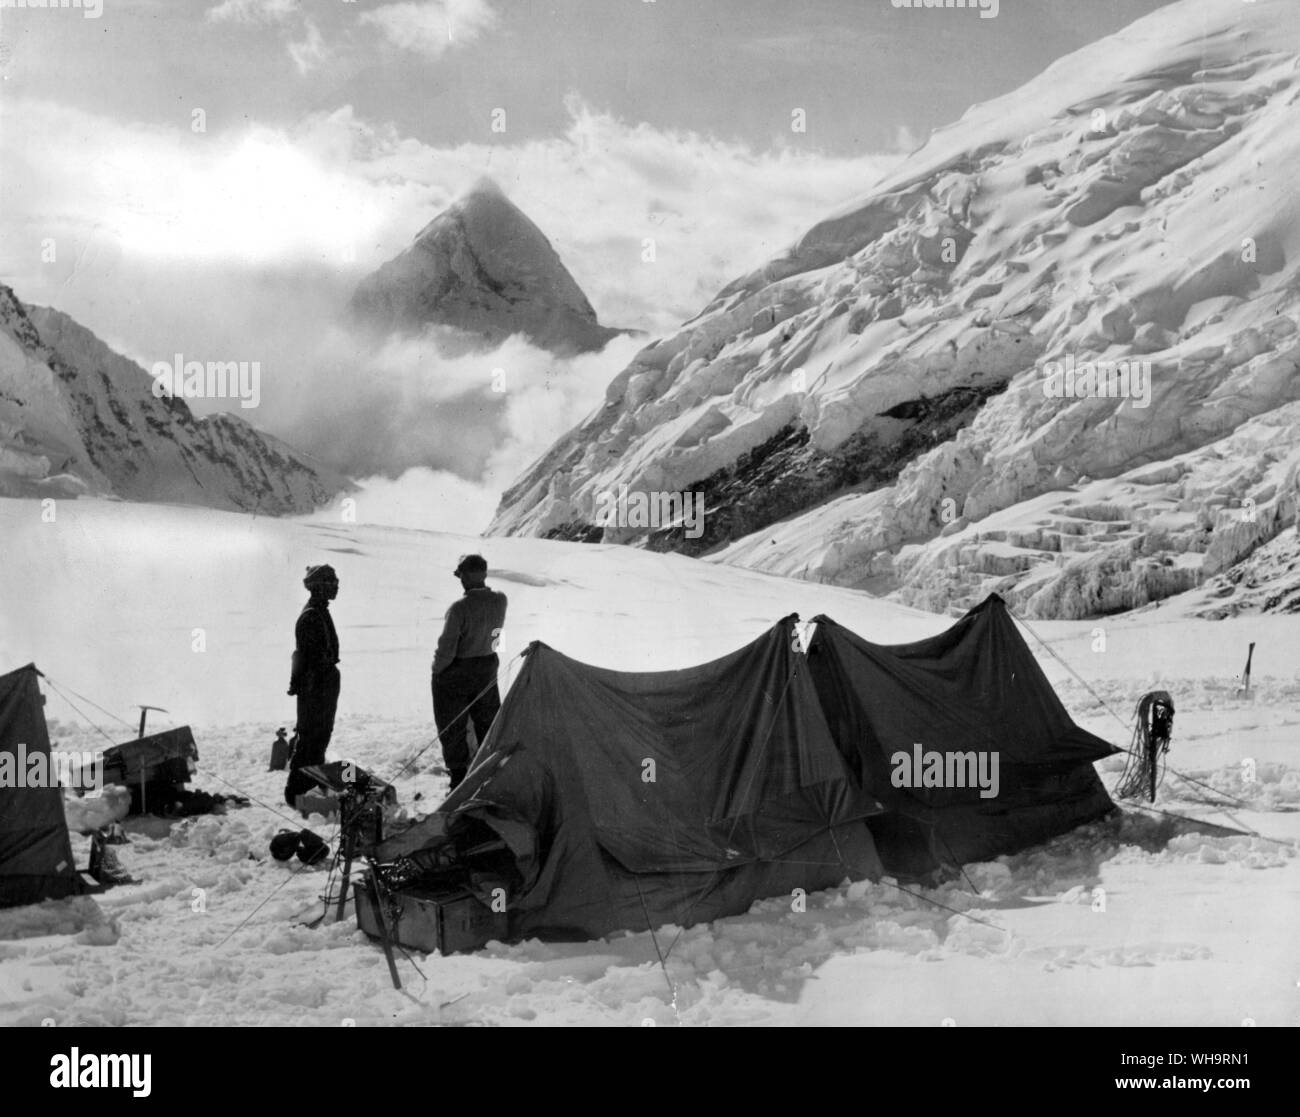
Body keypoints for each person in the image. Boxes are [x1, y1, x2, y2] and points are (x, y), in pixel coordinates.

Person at [432, 554, 507, 791]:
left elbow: (446, 649)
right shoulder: (500, 600)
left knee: (451, 725)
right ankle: (488, 771)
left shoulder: (458, 608)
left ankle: (458, 776)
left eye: (462, 576)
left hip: (458, 671)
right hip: (487, 665)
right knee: (487, 722)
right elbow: (496, 635)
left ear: (465, 576)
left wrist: (437, 672)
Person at [285, 564, 341, 806]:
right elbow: (308, 658)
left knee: (319, 737)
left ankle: (308, 783)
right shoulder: (311, 616)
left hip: (322, 683)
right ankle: (297, 790)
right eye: (331, 582)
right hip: (316, 685)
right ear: (318, 587)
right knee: (311, 738)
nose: (336, 586)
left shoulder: (319, 611)